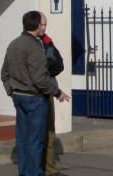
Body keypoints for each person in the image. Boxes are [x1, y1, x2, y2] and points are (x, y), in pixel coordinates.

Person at [1, 11, 70, 176]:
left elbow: (4, 73)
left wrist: (12, 90)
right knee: (35, 141)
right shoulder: (34, 47)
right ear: (37, 26)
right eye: (43, 24)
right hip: (34, 98)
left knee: (23, 140)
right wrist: (57, 92)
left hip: (19, 96)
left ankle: (24, 173)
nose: (45, 28)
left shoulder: (13, 44)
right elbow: (40, 79)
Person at [41, 32, 64, 176]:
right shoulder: (29, 44)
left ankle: (49, 169)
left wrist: (47, 72)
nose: (43, 28)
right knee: (36, 133)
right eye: (41, 25)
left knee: (49, 131)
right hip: (35, 93)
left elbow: (59, 64)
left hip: (48, 90)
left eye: (44, 25)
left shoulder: (48, 42)